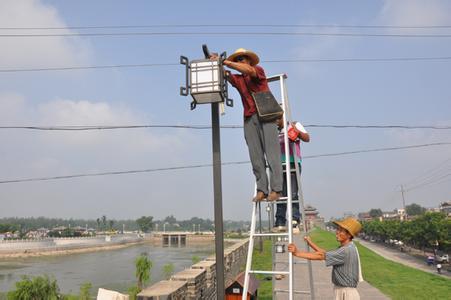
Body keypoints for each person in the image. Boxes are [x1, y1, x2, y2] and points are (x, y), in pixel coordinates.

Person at [213, 48, 283, 202]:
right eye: (238, 59)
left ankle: (276, 189)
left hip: (266, 115)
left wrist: (225, 61)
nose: (240, 62)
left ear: (249, 61)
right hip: (250, 118)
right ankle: (262, 190)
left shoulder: (257, 71)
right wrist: (216, 62)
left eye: (243, 59)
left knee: (272, 155)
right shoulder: (238, 79)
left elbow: (247, 70)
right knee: (255, 157)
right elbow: (226, 74)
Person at [288, 218, 363, 300]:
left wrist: (297, 253)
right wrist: (310, 242)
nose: (337, 232)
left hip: (346, 293)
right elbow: (325, 253)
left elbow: (321, 256)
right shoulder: (347, 247)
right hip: (342, 290)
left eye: (341, 231)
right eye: (338, 229)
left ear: (349, 235)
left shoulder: (345, 250)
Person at [273, 118, 310, 232]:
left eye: (278, 118)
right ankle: (280, 221)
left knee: (293, 193)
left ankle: (295, 220)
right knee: (280, 193)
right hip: (279, 164)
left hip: (293, 162)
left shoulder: (294, 124)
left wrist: (296, 131)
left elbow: (307, 138)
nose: (276, 120)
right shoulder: (273, 129)